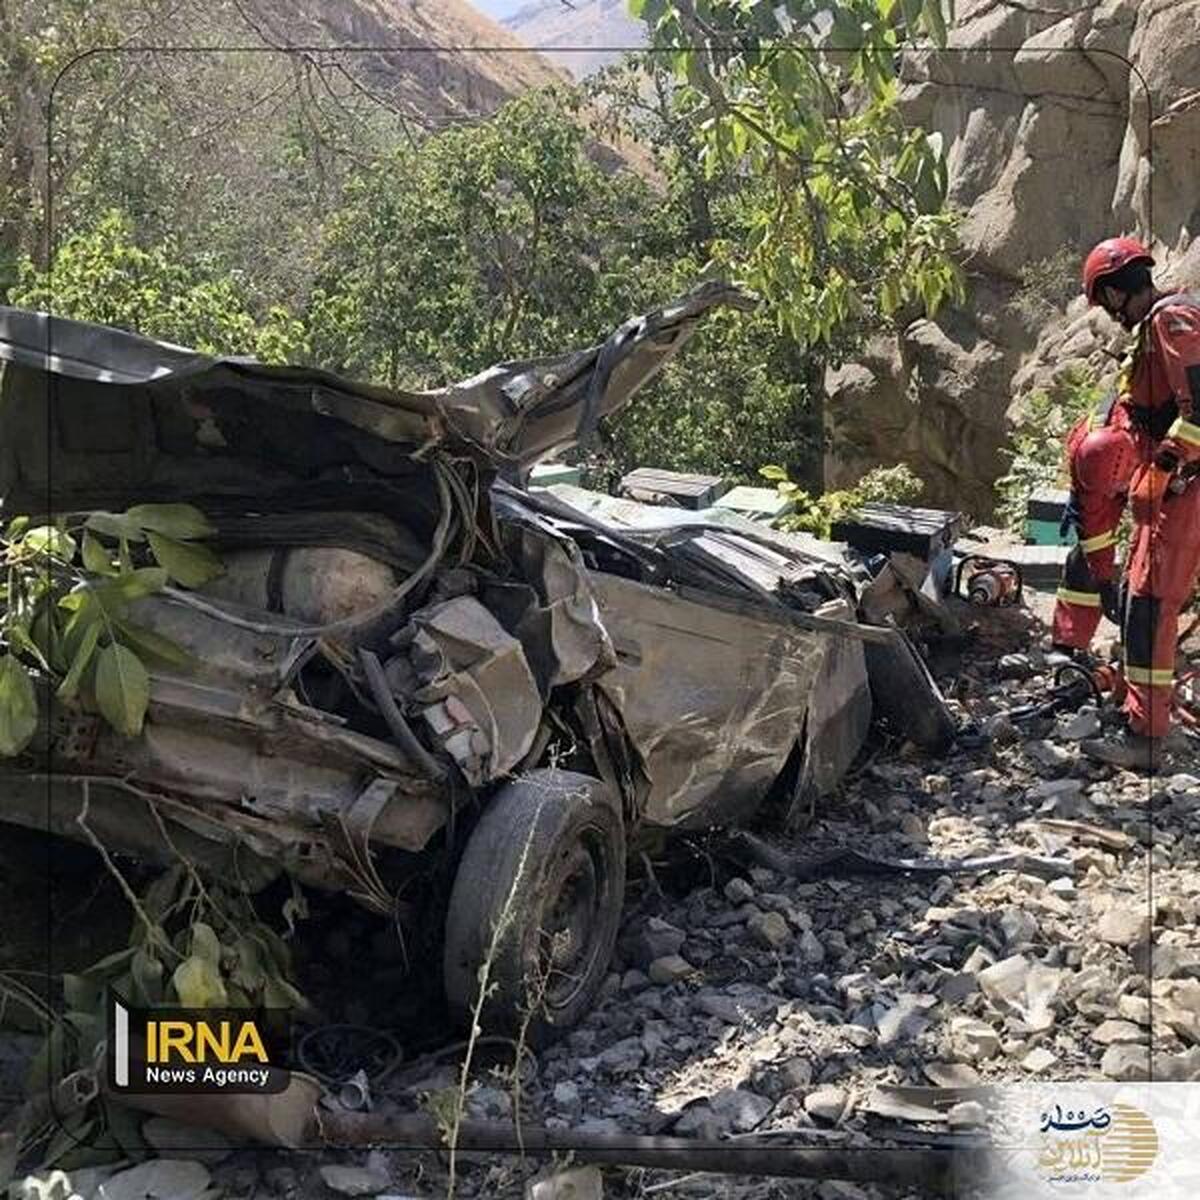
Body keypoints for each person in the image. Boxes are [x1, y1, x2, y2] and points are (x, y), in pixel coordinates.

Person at [1073, 236, 1200, 770]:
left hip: (1183, 486)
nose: (1108, 313)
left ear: (1116, 291)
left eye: (1105, 301)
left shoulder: (1171, 322)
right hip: (1173, 482)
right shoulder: (1161, 326)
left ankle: (1147, 736)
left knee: (1150, 601)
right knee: (1142, 595)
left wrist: (1168, 467)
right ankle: (1140, 706)